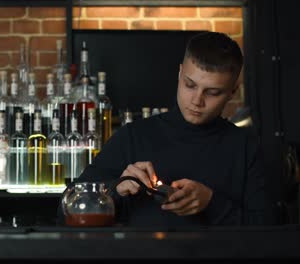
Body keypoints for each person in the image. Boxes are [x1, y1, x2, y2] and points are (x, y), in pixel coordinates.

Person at [59, 31, 271, 227]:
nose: (197, 101)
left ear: (232, 91)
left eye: (213, 92)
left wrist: (211, 203)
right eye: (190, 85)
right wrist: (114, 190)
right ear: (180, 73)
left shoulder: (246, 146)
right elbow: (65, 209)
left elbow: (270, 233)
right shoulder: (132, 137)